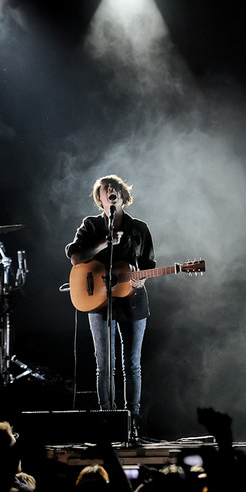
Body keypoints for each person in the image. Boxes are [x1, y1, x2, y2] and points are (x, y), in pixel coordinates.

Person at [66, 174, 155, 439]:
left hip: (133, 300)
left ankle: (133, 421)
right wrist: (106, 242)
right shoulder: (91, 225)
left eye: (115, 188)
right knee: (104, 364)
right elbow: (75, 256)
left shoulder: (139, 228)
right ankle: (108, 419)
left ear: (122, 195)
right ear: (100, 198)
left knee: (132, 364)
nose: (110, 191)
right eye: (105, 189)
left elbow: (149, 264)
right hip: (98, 301)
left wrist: (141, 280)